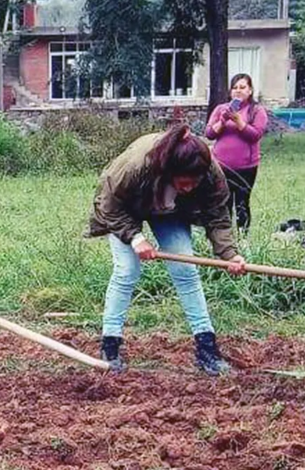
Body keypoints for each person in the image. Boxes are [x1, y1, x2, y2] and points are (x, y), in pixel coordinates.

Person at [86, 124, 247, 376]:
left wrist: (229, 254)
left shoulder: (208, 172)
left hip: (170, 212)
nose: (190, 188)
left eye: (195, 182)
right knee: (126, 271)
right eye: (185, 182)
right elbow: (108, 204)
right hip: (124, 211)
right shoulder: (137, 165)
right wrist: (136, 238)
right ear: (170, 170)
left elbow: (217, 214)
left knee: (186, 268)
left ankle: (206, 348)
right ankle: (111, 345)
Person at [206, 73, 268, 232]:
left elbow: (255, 135)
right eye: (234, 88)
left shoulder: (256, 110)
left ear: (250, 90)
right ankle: (224, 236)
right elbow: (209, 134)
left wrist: (238, 121)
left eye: (242, 87)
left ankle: (243, 237)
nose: (238, 91)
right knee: (223, 202)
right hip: (221, 166)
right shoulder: (221, 109)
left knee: (242, 202)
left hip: (246, 167)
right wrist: (223, 121)